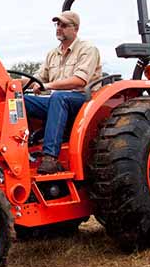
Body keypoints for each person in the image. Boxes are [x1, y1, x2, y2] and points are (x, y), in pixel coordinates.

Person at [23, 11, 102, 174]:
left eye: (64, 25)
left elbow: (79, 80)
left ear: (76, 29)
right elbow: (36, 79)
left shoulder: (88, 49)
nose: (59, 28)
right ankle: (20, 149)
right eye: (58, 25)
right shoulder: (53, 54)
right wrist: (8, 82)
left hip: (83, 100)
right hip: (57, 99)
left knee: (59, 98)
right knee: (20, 100)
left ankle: (50, 157)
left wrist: (47, 86)